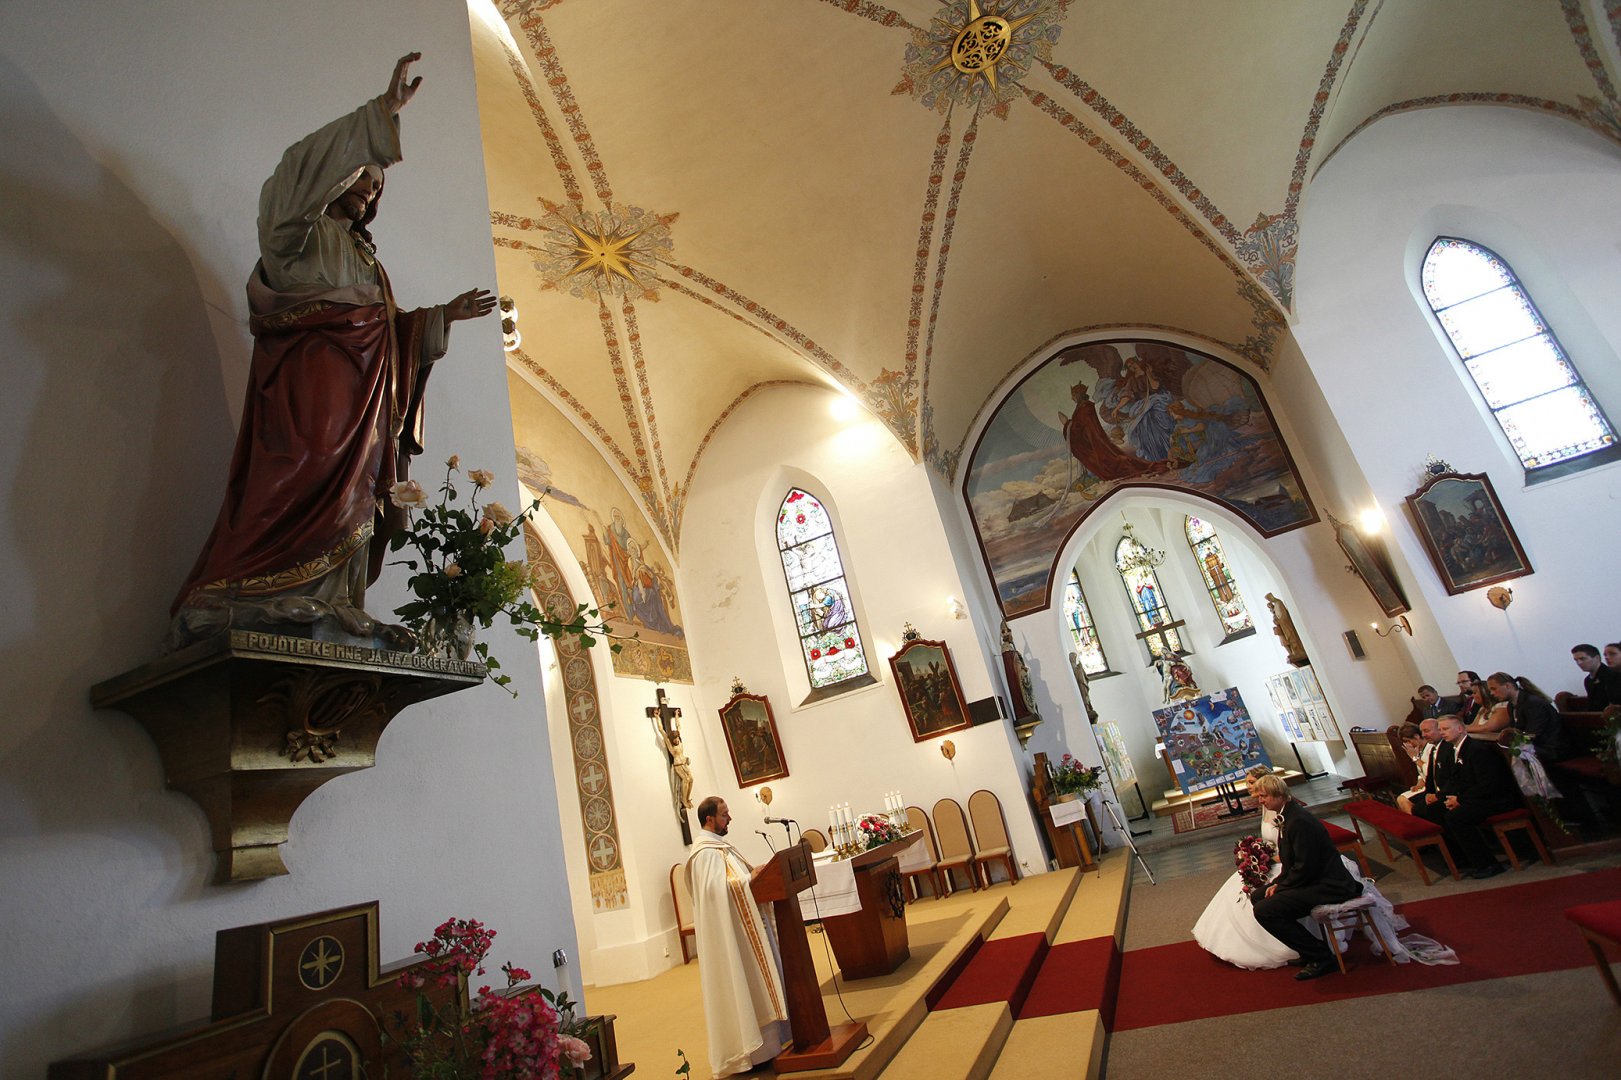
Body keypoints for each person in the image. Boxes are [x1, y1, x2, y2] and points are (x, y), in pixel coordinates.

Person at [170, 53, 497, 648]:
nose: (371, 190)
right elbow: (292, 183)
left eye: (377, 186)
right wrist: (378, 120)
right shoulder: (298, 236)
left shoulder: (368, 257)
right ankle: (260, 590)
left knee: (355, 494)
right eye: (363, 177)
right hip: (310, 385)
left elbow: (389, 330)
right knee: (297, 472)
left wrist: (438, 319)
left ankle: (335, 601)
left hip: (365, 400)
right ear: (337, 180)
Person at [685, 797, 789, 1077]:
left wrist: (752, 876)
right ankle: (755, 1053)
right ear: (709, 819)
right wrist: (749, 879)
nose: (729, 818)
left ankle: (773, 1043)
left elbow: (732, 882)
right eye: (724, 814)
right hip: (732, 938)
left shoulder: (720, 847)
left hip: (746, 929)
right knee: (744, 984)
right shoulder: (705, 854)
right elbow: (714, 893)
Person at [1244, 773, 1365, 980]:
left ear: (1279, 794)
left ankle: (1321, 956)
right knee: (1258, 896)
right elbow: (1291, 863)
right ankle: (1307, 950)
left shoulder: (1299, 821)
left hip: (1328, 884)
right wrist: (1278, 882)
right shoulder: (1286, 815)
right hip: (1311, 879)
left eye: (1264, 796)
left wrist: (1282, 887)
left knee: (1265, 911)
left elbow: (1306, 866)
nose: (1260, 801)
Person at [1432, 713, 1522, 877]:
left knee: (1456, 817)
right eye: (1440, 729)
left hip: (1496, 799)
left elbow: (1489, 784)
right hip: (1475, 796)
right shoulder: (1456, 749)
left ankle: (1488, 864)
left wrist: (1460, 799)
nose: (1442, 732)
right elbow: (1458, 779)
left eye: (1445, 729)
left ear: (1460, 729)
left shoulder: (1477, 750)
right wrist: (1451, 797)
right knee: (1437, 809)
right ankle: (1463, 859)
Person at [1397, 719, 1442, 815]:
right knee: (1401, 798)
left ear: (1416, 736)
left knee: (1405, 801)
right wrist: (1419, 784)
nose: (1407, 745)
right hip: (1424, 785)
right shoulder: (1418, 749)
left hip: (1434, 787)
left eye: (1408, 741)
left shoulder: (1430, 748)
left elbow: (1430, 771)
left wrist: (1415, 758)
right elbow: (1421, 773)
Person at [1560, 644, 1621, 711]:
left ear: (1597, 658)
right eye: (1576, 660)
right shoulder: (1587, 680)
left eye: (1582, 659)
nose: (1579, 663)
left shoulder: (1613, 675)